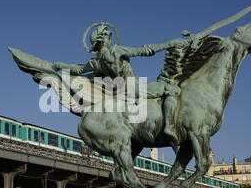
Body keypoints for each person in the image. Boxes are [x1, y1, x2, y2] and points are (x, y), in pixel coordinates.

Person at [52, 24, 194, 146]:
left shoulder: (96, 62)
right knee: (172, 90)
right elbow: (145, 50)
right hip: (134, 86)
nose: (110, 39)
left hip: (120, 91)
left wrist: (60, 65)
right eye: (107, 36)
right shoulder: (116, 51)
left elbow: (78, 69)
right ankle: (169, 127)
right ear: (102, 40)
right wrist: (171, 43)